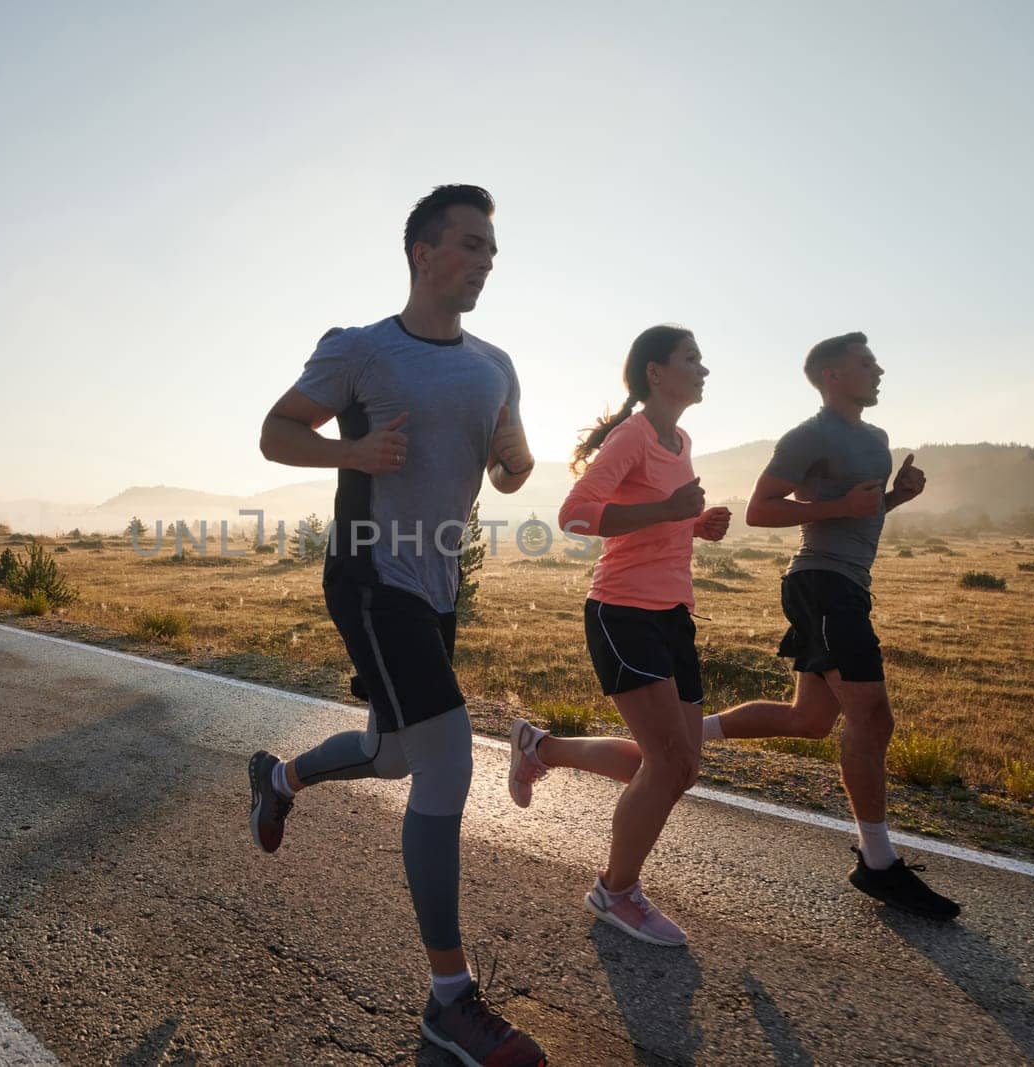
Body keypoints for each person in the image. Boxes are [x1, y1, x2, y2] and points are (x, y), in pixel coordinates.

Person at [247, 184, 547, 1066]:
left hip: (438, 582)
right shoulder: (360, 351)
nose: (486, 259)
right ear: (423, 252)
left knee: (395, 753)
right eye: (470, 243)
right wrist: (351, 451)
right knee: (449, 754)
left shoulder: (497, 364)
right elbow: (275, 432)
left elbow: (512, 465)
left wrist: (518, 461)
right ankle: (449, 1000)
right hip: (373, 572)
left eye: (492, 247)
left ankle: (279, 778)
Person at [700, 331, 960, 920]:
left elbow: (860, 516)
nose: (879, 369)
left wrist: (896, 498)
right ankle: (877, 862)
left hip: (847, 585)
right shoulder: (810, 436)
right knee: (872, 715)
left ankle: (689, 732)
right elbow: (760, 510)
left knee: (810, 719)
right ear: (832, 376)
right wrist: (839, 507)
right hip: (820, 583)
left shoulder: (876, 439)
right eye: (866, 363)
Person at [506, 325, 731, 947]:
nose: (703, 369)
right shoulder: (633, 436)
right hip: (623, 612)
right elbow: (575, 513)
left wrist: (692, 524)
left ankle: (541, 749)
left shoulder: (679, 438)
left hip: (672, 614)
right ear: (656, 373)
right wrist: (669, 510)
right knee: (669, 765)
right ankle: (616, 892)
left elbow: (657, 518)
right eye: (693, 358)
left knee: (674, 768)